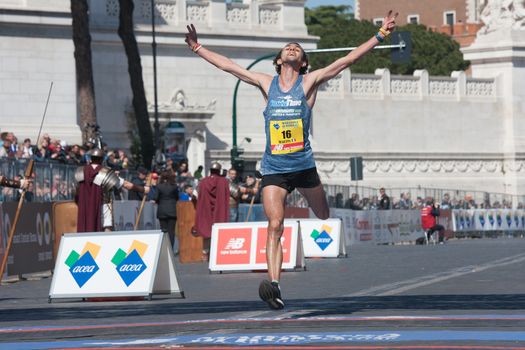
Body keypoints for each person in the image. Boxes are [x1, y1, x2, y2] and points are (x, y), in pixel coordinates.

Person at [185, 11, 397, 310]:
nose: (293, 48)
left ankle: (314, 212)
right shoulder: (265, 82)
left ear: (304, 61)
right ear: (279, 60)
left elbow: (346, 61)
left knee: (323, 215)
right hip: (274, 169)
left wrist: (380, 36)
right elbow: (230, 66)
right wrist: (197, 48)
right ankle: (274, 285)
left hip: (304, 167)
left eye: (298, 48)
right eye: (288, 47)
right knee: (274, 223)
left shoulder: (309, 81)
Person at [75, 149, 148, 232]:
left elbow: (76, 192)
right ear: (102, 160)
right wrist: (143, 189)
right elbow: (126, 185)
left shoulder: (80, 171)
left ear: (91, 158)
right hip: (104, 206)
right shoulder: (106, 172)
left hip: (84, 208)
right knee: (107, 228)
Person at [194, 162, 229, 261]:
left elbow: (195, 194)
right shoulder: (224, 181)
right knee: (218, 231)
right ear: (219, 170)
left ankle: (205, 253)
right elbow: (235, 192)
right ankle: (217, 254)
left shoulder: (204, 182)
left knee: (206, 231)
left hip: (206, 210)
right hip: (219, 210)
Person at [154, 171, 179, 251]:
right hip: (172, 209)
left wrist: (159, 201)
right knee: (171, 231)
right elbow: (177, 197)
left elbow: (156, 197)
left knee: (164, 230)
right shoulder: (174, 186)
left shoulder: (159, 186)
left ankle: (164, 248)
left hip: (162, 210)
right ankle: (170, 248)